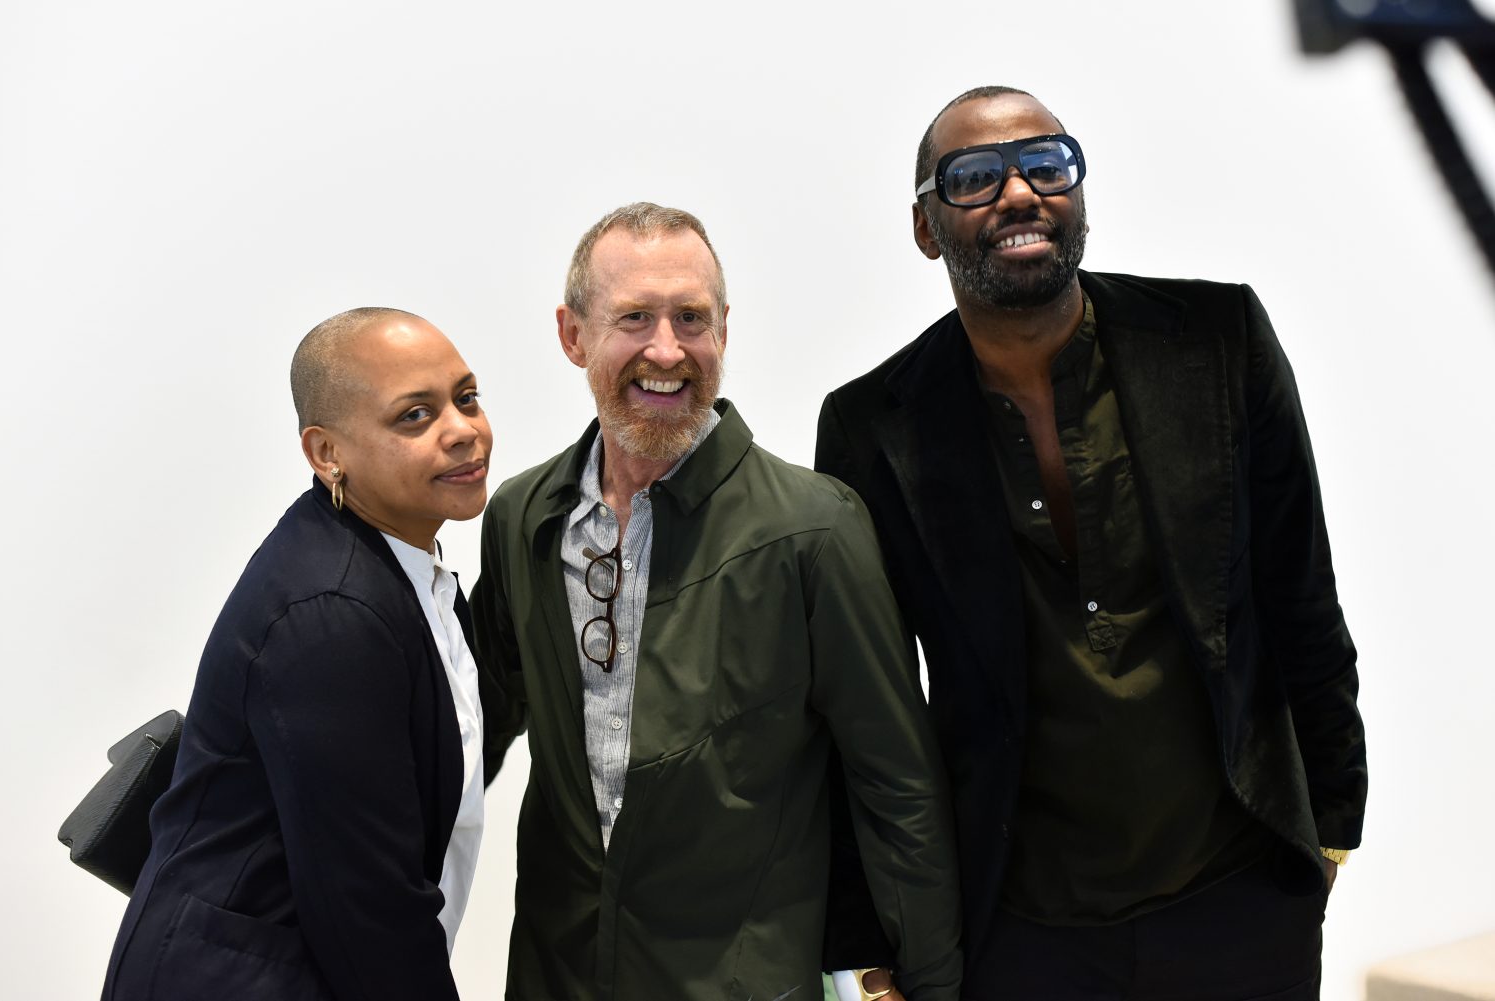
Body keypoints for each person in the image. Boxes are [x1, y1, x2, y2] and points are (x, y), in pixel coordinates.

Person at [816, 87, 1368, 999]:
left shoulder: (1218, 341)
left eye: (1047, 164)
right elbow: (860, 705)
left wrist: (1334, 824)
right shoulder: (873, 425)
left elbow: (1300, 589)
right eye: (974, 177)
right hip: (1017, 927)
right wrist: (864, 935)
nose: (1019, 193)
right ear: (925, 228)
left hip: (1239, 894)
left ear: (1078, 194)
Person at [470, 202, 962, 1001]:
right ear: (573, 335)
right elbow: (465, 738)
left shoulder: (815, 530)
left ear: (723, 332)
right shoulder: (523, 518)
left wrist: (933, 984)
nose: (667, 349)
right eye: (635, 317)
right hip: (556, 977)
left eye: (691, 318)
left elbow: (898, 790)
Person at [102, 307, 493, 1001]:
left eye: (466, 398)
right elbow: (369, 911)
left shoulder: (400, 566)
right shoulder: (333, 613)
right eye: (414, 416)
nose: (462, 429)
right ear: (326, 452)